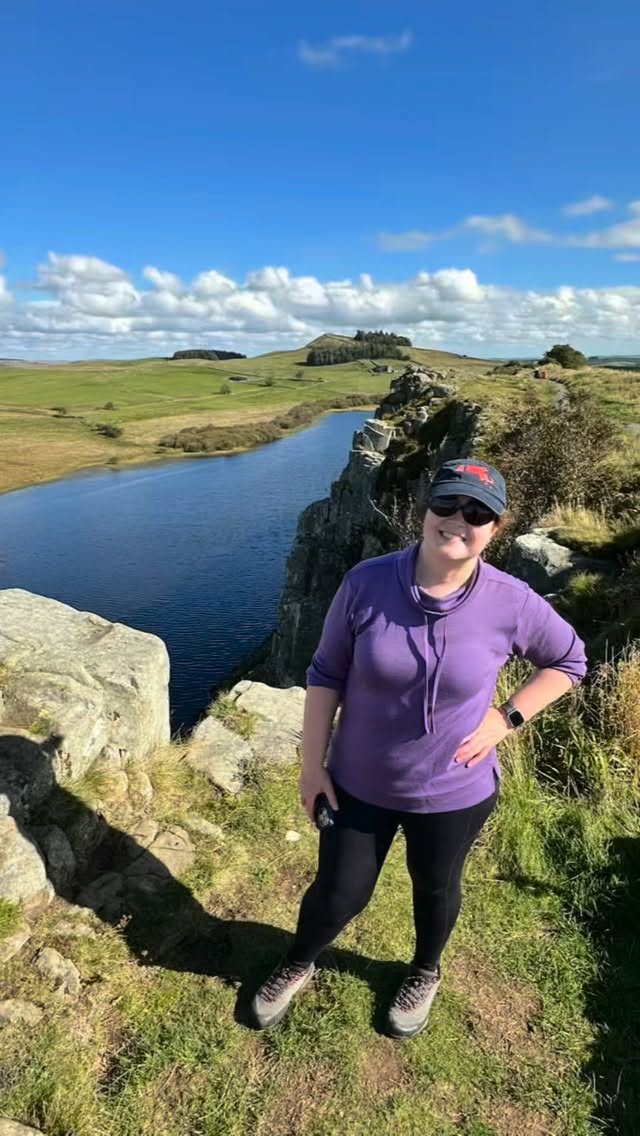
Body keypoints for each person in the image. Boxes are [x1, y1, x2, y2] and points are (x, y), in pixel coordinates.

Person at [251, 459, 587, 1038]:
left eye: (477, 513)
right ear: (424, 510)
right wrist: (311, 768)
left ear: (496, 528)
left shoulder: (512, 601)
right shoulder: (367, 582)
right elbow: (326, 673)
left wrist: (506, 718)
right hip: (358, 783)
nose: (459, 520)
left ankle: (425, 971)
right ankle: (298, 961)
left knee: (437, 888)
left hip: (456, 790)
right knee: (338, 893)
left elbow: (569, 660)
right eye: (447, 505)